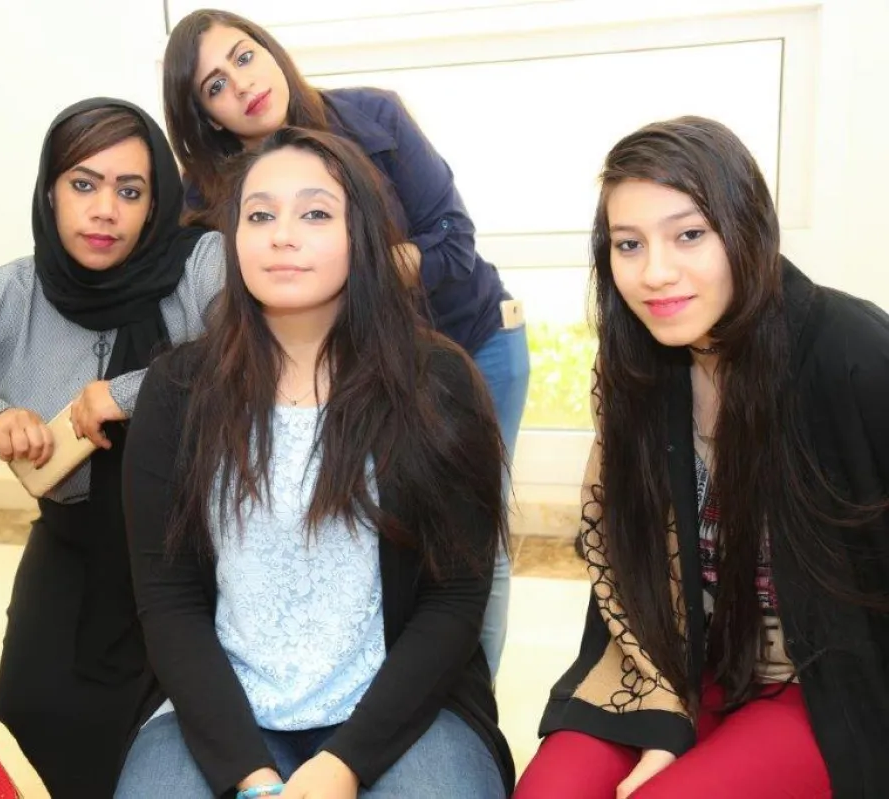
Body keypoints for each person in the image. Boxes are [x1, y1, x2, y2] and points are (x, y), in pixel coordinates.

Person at [116, 127, 514, 799]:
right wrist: (249, 774)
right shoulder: (179, 388)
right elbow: (168, 599)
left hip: (398, 708)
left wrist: (343, 764)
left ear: (363, 234)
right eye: (259, 215)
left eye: (315, 213)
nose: (282, 235)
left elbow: (454, 599)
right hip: (225, 709)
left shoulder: (436, 381)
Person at [513, 116, 889, 799]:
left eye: (689, 234)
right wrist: (663, 723)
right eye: (629, 244)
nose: (656, 273)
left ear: (746, 229)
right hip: (678, 662)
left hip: (822, 677)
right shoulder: (637, 368)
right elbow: (626, 558)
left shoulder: (852, 350)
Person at [163, 8, 529, 677]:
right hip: (354, 371)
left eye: (243, 56)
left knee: (474, 542)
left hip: (473, 343)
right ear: (206, 118)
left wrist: (348, 262)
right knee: (375, 530)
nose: (241, 85)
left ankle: (469, 702)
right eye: (214, 86)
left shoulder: (374, 117)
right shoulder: (206, 194)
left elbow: (453, 243)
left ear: (269, 49)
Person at [0, 97, 225, 798]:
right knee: (36, 697)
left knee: (196, 719)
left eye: (130, 191)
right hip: (80, 538)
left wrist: (129, 392)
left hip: (207, 545)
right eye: (83, 184)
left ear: (156, 203)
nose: (105, 210)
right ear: (50, 192)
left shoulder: (202, 264)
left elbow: (252, 348)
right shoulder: (2, 297)